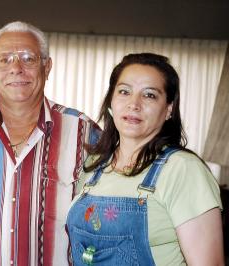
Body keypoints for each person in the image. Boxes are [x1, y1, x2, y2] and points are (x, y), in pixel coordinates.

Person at [0, 21, 101, 265]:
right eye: (4, 59)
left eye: (28, 58)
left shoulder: (84, 132)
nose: (16, 68)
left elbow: (106, 218)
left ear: (47, 66)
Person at [66, 53, 224, 265]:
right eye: (124, 92)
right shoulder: (93, 167)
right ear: (111, 102)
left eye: (149, 95)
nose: (134, 104)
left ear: (169, 109)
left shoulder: (183, 170)